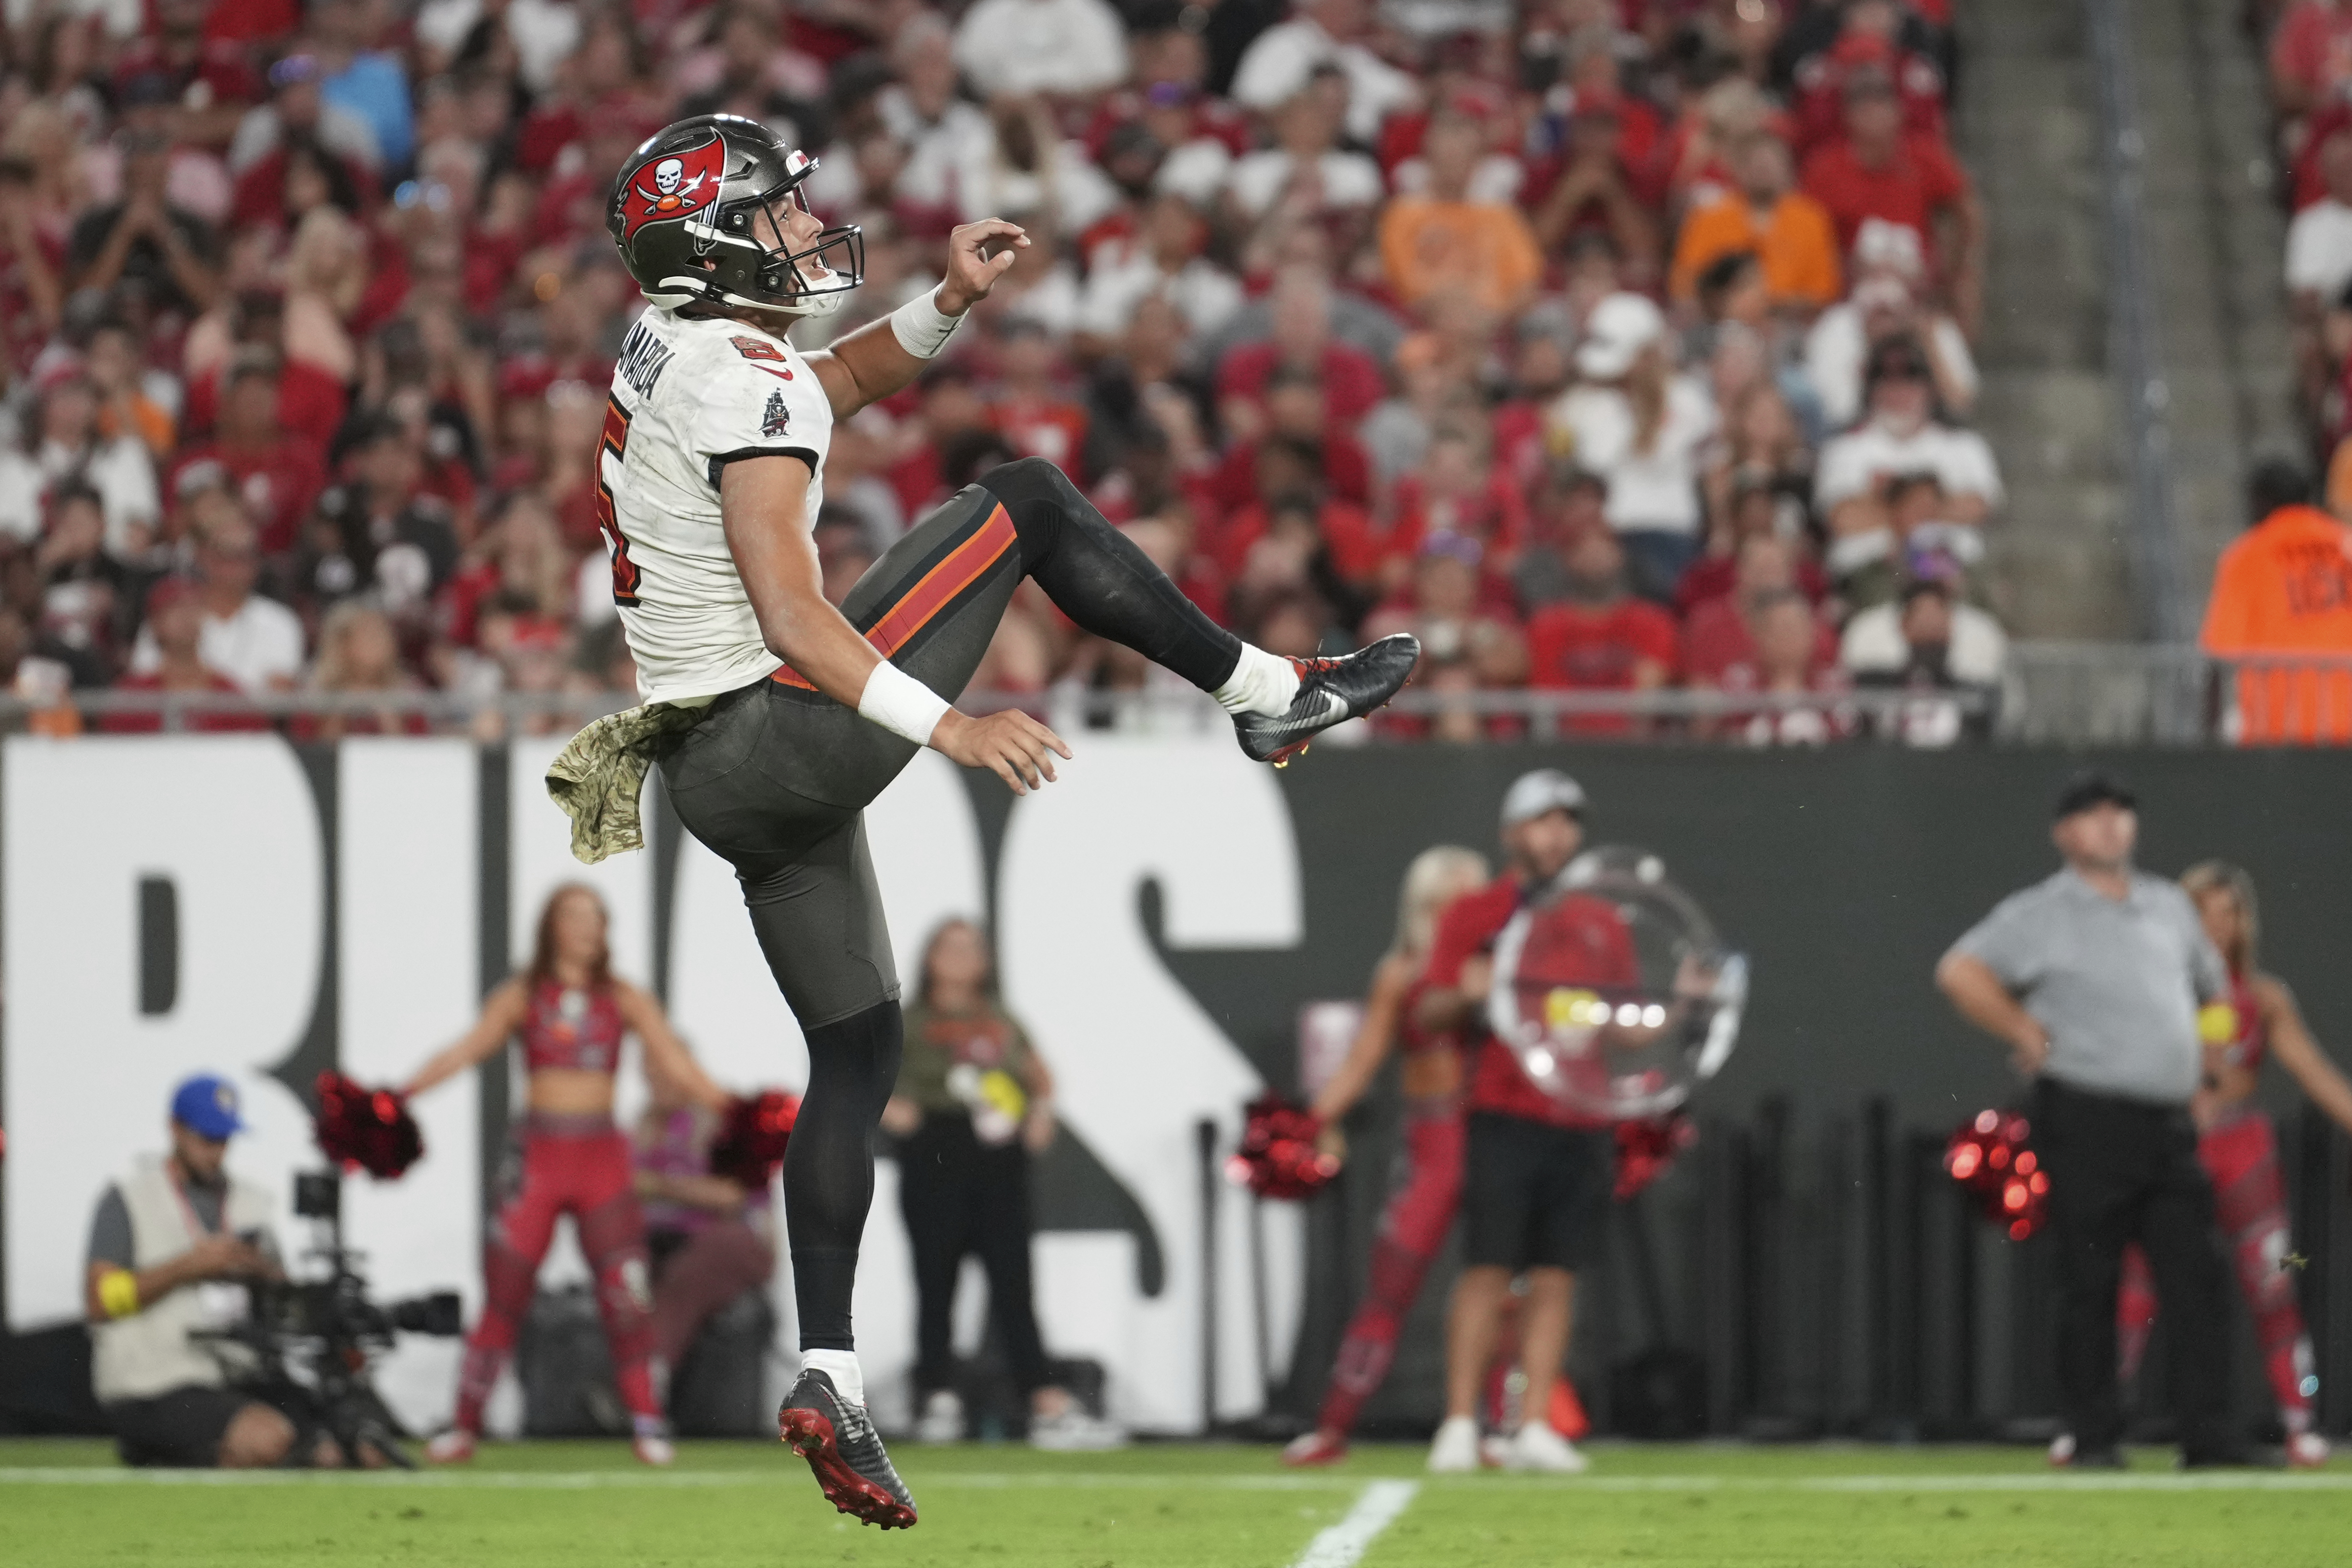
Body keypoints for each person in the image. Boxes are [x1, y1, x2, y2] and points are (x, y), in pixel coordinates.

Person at [552, 114, 1417, 1530]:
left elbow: (816, 386)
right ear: (710, 239)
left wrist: (944, 309)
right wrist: (949, 726)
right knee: (1022, 498)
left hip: (716, 766)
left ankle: (827, 1369)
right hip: (773, 727)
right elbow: (792, 606)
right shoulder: (731, 371)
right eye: (771, 214)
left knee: (860, 1047)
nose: (798, 230)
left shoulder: (676, 343)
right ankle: (1271, 690)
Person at [1934, 772, 2246, 1469]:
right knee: (2089, 1282)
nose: (2111, 826)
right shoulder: (2040, 912)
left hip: (2166, 1122)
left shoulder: (2167, 905)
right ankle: (2094, 1434)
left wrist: (2212, 1064)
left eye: (2121, 814)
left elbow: (2215, 989)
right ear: (2065, 834)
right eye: (2094, 816)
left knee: (2197, 1276)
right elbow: (1960, 971)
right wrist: (2020, 1025)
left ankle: (2211, 1435)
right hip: (2085, 1116)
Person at [400, 884, 731, 1468]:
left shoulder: (623, 996)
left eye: (595, 917)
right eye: (573, 915)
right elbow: (466, 1051)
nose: (586, 927)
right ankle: (464, 1426)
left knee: (627, 1296)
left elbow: (675, 1062)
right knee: (504, 1295)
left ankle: (649, 1424)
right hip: (540, 1156)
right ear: (550, 925)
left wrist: (734, 1112)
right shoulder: (524, 995)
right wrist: (399, 1096)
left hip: (601, 1157)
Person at [2114, 863, 2352, 1468]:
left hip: (2243, 1158)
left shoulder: (2264, 998)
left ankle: (2300, 1422)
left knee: (2275, 1289)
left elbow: (2315, 1073)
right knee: (2134, 1292)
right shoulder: (2149, 988)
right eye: (2205, 913)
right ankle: (2096, 1426)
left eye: (2230, 915)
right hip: (2170, 1157)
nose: (2217, 928)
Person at [1420, 770, 1621, 1475]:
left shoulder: (1601, 920)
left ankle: (1535, 1422)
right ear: (1512, 834)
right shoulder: (1475, 912)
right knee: (1487, 1268)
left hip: (1581, 1110)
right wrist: (1476, 992)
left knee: (1557, 1274)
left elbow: (1621, 1025)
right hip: (1504, 1110)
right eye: (1543, 820)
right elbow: (1431, 1009)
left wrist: (1669, 1003)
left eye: (1568, 820)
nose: (1558, 833)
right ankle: (1456, 1422)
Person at [1282, 845, 1491, 1468]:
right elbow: (1365, 1058)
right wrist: (1313, 1121)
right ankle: (1332, 1426)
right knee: (1389, 1287)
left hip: (1495, 1133)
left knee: (1503, 1283)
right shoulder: (1401, 973)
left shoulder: (1499, 964)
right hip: (1433, 1141)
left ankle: (1497, 1428)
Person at [879, 919, 1121, 1451]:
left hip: (997, 1156)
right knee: (934, 1280)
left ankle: (1043, 1400)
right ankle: (936, 1395)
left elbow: (1040, 1077)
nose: (963, 958)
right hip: (935, 1151)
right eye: (952, 947)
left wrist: (1039, 1111)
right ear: (931, 957)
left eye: (972, 948)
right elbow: (868, 1073)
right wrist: (893, 1110)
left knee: (1013, 1284)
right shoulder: (911, 1020)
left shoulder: (1002, 1021)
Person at [84, 1076, 313, 1468]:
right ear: (174, 1129)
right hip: (154, 1380)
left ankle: (177, 1457)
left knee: (343, 1445)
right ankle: (172, 1452)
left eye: (224, 1140)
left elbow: (285, 1302)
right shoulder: (131, 1196)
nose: (217, 1152)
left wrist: (261, 1272)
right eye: (206, 1139)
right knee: (267, 1439)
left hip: (230, 1374)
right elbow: (101, 1301)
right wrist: (187, 1267)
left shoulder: (250, 1201)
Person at [2196, 459, 2352, 745]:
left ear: (2262, 501)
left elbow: (2219, 655)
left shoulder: (2248, 556)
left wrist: (2208, 735)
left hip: (2278, 731)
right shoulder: (2346, 547)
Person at [632, 1091, 779, 1381]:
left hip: (728, 1242)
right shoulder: (643, 1129)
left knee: (702, 1262)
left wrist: (662, 1187)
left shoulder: (720, 1123)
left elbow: (732, 1196)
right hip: (664, 1241)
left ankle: (649, 1373)